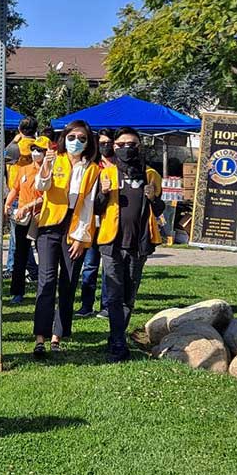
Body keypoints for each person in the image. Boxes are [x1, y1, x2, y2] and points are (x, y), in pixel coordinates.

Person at [95, 127, 164, 362]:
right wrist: (103, 194)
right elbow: (95, 207)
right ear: (114, 147)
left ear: (140, 146)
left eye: (132, 144)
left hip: (139, 243)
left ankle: (116, 335)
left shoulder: (151, 175)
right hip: (111, 241)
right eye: (122, 144)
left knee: (128, 296)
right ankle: (117, 341)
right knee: (114, 294)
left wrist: (153, 198)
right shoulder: (107, 174)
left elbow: (160, 210)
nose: (127, 149)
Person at [32, 120, 100, 357]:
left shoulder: (92, 168)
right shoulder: (55, 159)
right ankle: (40, 336)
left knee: (68, 282)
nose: (76, 142)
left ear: (88, 141)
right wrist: (46, 166)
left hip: (74, 227)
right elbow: (41, 185)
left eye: (82, 138)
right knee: (47, 280)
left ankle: (57, 335)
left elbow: (89, 205)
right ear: (64, 138)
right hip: (50, 224)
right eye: (72, 137)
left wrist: (82, 237)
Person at [4, 136, 49, 305]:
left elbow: (45, 197)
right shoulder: (24, 169)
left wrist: (28, 206)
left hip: (41, 217)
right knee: (19, 254)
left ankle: (44, 291)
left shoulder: (48, 171)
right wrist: (7, 204)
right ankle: (17, 292)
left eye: (40, 150)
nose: (36, 152)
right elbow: (15, 189)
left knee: (44, 255)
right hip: (22, 217)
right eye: (34, 149)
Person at [76, 128, 115, 319]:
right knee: (90, 266)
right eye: (102, 143)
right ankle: (86, 305)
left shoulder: (118, 168)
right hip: (93, 223)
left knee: (108, 268)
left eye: (109, 143)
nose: (105, 146)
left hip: (110, 224)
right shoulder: (92, 167)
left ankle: (106, 306)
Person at [4, 117, 40, 282]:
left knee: (18, 238)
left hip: (17, 193)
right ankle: (19, 267)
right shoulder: (38, 147)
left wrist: (15, 138)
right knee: (29, 238)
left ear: (19, 129)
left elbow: (4, 157)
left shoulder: (14, 147)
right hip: (36, 196)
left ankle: (21, 268)